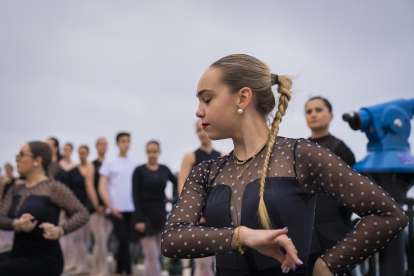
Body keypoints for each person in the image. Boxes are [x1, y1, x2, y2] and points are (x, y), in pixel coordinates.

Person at [161, 54, 409, 276]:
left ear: (243, 97)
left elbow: (388, 213)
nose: (198, 111)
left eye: (207, 99)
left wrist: (329, 265)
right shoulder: (206, 172)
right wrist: (242, 236)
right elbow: (172, 239)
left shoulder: (299, 155)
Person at [0, 141, 89, 276]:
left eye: (22, 155)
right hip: (17, 253)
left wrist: (61, 230)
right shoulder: (16, 189)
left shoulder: (53, 187)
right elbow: (1, 217)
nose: (17, 159)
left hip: (45, 258)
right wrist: (16, 224)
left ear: (38, 160)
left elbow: (82, 213)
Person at [304, 97, 356, 275]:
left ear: (331, 115)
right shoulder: (300, 148)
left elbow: (353, 189)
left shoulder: (340, 148)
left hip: (335, 227)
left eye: (318, 110)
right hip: (305, 227)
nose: (313, 114)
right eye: (309, 111)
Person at [178, 120, 223, 276]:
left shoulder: (222, 156)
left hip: (218, 214)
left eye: (204, 129)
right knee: (202, 263)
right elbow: (182, 188)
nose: (202, 133)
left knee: (221, 263)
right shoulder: (190, 156)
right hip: (199, 215)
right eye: (198, 130)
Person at [133, 140, 177, 276]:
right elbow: (135, 195)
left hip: (160, 214)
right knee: (151, 254)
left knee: (156, 255)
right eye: (149, 152)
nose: (152, 154)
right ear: (146, 153)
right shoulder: (139, 170)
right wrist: (138, 219)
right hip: (145, 216)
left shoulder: (165, 169)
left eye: (155, 151)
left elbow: (179, 184)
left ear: (159, 152)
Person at [98, 132, 139, 276]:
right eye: (122, 141)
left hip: (132, 208)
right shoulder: (109, 163)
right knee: (123, 240)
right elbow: (101, 186)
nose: (125, 144)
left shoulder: (136, 163)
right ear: (117, 143)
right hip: (116, 209)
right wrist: (110, 206)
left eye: (128, 141)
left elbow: (141, 185)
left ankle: (119, 271)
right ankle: (127, 272)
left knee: (126, 242)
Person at [85, 138, 112, 276]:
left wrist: (110, 205)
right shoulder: (92, 164)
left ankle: (95, 271)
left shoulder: (110, 163)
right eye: (101, 144)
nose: (103, 147)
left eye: (105, 144)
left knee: (102, 241)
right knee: (100, 239)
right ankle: (104, 270)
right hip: (95, 208)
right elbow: (89, 185)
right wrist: (96, 205)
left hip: (109, 208)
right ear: (96, 146)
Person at [67, 145, 94, 275]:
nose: (82, 155)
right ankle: (79, 264)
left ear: (88, 153)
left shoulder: (92, 169)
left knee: (86, 237)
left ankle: (84, 264)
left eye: (84, 153)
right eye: (80, 153)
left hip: (89, 208)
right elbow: (69, 191)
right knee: (78, 238)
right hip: (75, 208)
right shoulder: (73, 171)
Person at [0, 164, 17, 249]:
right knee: (4, 218)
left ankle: (10, 240)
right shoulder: (4, 179)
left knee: (11, 218)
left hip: (12, 202)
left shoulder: (15, 179)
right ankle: (5, 240)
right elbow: (2, 191)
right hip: (4, 201)